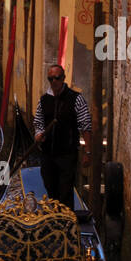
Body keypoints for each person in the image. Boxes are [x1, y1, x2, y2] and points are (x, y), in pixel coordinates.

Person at [34, 64, 92, 209]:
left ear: (63, 78)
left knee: (65, 191)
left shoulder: (76, 99)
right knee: (50, 189)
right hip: (47, 154)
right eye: (50, 79)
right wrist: (38, 134)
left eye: (57, 78)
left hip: (67, 154)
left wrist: (87, 152)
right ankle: (54, 222)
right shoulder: (44, 100)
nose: (53, 81)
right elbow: (38, 122)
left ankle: (66, 225)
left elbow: (86, 126)